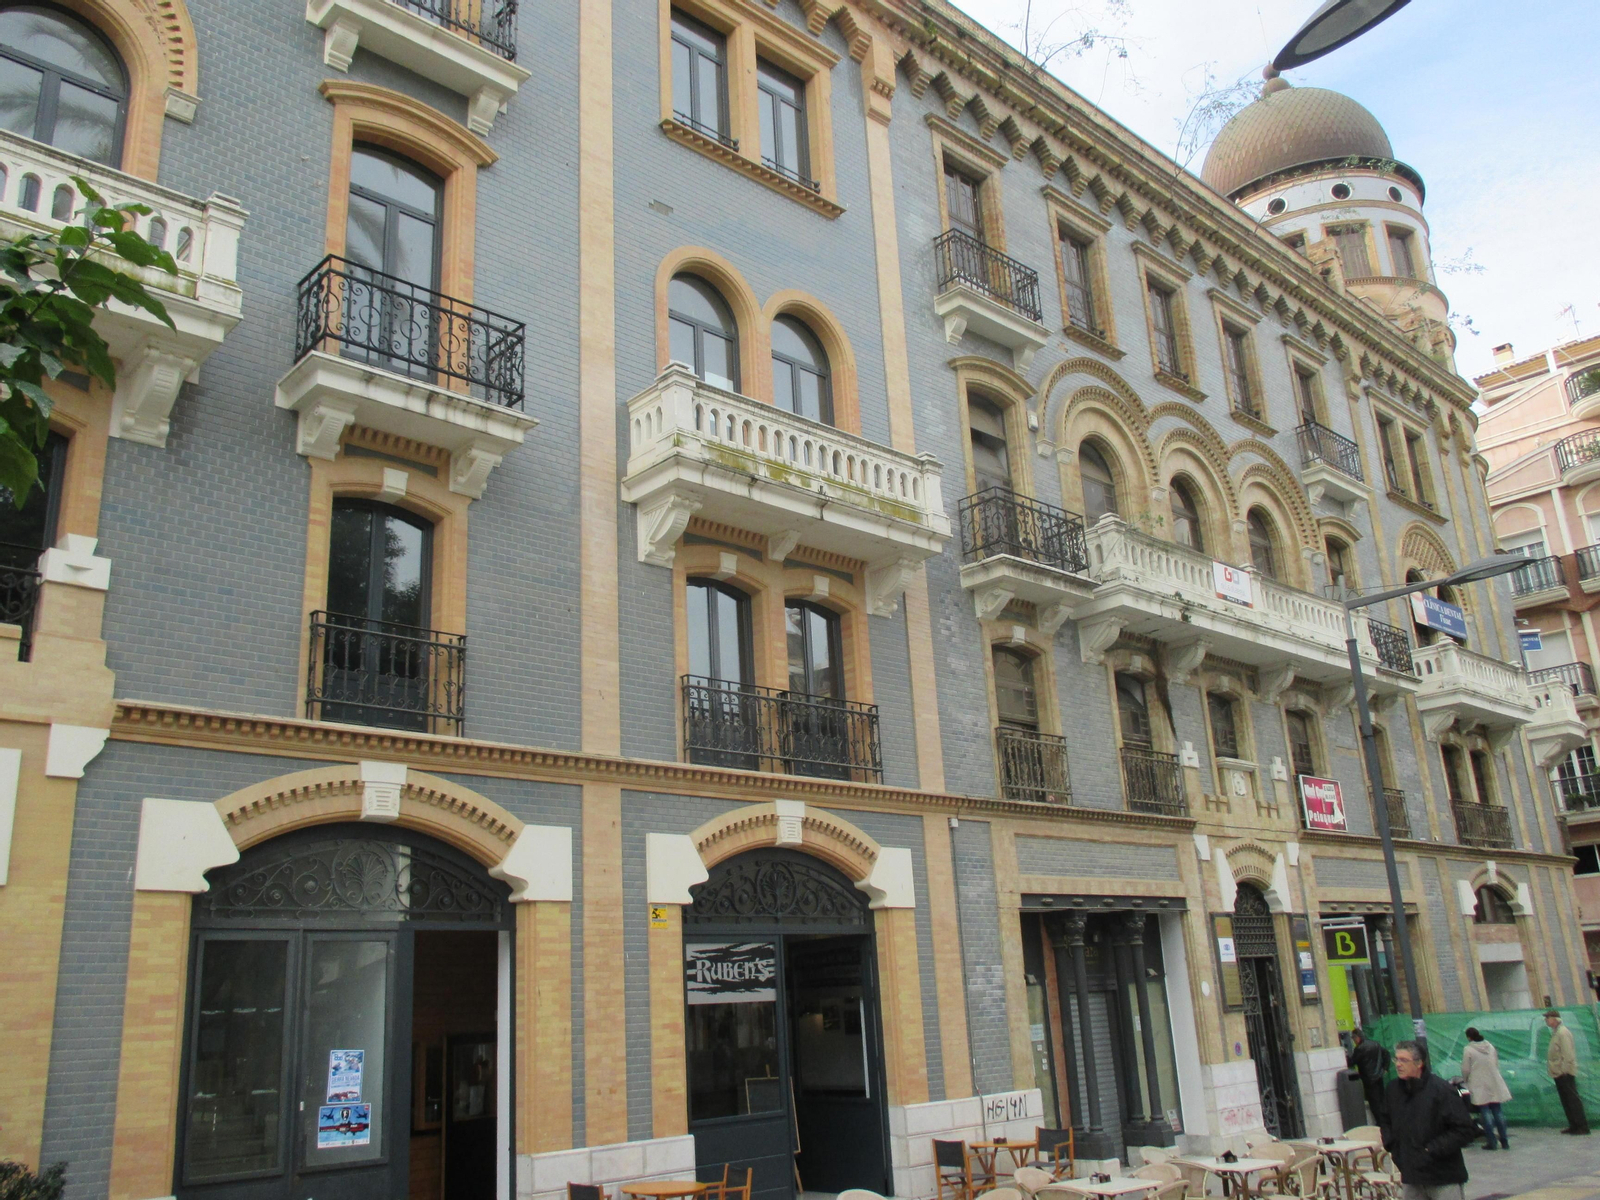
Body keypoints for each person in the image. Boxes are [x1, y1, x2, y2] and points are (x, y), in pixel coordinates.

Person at [1381, 1040, 1478, 1200]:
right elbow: (1385, 1120)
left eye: (1404, 1060)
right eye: (1396, 1059)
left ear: (1419, 1063)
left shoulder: (1441, 1090)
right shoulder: (1393, 1090)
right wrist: (1392, 1145)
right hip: (1411, 1176)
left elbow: (1464, 1130)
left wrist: (1430, 1150)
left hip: (1443, 1176)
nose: (1398, 1064)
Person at [1460, 1027, 1511, 1150]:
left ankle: (1492, 1142)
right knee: (1498, 1111)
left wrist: (1466, 1079)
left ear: (1468, 1037)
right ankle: (1504, 1141)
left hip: (1479, 1083)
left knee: (1485, 1112)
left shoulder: (1468, 1050)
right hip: (1494, 1081)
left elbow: (1466, 1069)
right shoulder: (1490, 1046)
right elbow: (1496, 1063)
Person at [1545, 1009, 1591, 1135]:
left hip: (1564, 1072)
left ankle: (1581, 1126)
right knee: (1566, 1100)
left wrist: (1564, 1070)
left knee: (1572, 1100)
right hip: (1558, 1072)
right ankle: (1574, 1125)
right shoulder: (1556, 1033)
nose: (1546, 1020)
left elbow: (1567, 1053)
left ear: (1555, 1019)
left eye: (1548, 1018)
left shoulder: (1563, 1033)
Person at [1352, 1028, 1390, 1122]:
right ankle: (1387, 1120)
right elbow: (1386, 1054)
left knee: (1374, 1103)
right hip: (1379, 1076)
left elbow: (1352, 1061)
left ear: (1357, 1037)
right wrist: (1385, 1068)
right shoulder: (1375, 1044)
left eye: (1353, 1039)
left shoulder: (1360, 1048)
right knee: (1381, 1099)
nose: (1353, 1041)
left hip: (1368, 1079)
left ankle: (1380, 1123)